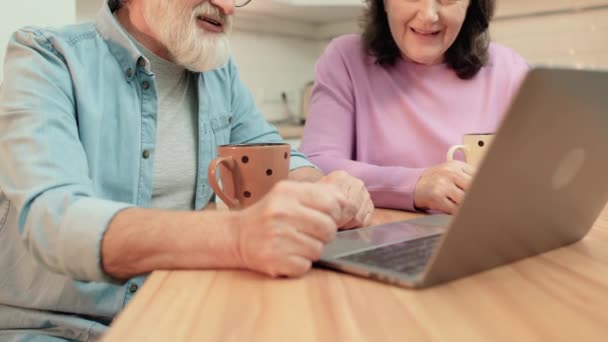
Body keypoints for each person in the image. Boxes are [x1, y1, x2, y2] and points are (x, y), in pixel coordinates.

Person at [0, 0, 374, 340]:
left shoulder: (218, 72)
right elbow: (57, 222)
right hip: (53, 328)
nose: (228, 7)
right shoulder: (46, 57)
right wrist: (237, 237)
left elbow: (273, 152)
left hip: (170, 312)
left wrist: (325, 189)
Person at [300, 0, 529, 214]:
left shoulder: (509, 69)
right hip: (381, 241)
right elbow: (316, 165)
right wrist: (414, 184)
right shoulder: (346, 59)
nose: (429, 15)